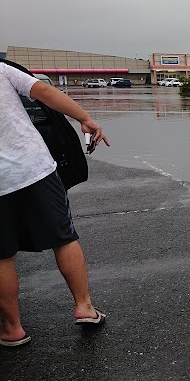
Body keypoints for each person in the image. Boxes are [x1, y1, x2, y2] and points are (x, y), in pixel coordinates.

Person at [0, 62, 110, 347]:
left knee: (2, 256)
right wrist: (85, 118)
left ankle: (12, 329)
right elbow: (43, 92)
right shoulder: (1, 70)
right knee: (64, 237)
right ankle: (84, 308)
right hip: (32, 167)